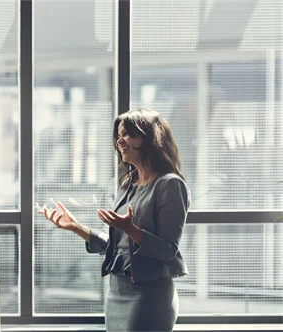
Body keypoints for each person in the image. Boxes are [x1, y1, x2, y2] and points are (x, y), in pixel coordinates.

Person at [38, 108, 190, 332]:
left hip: (149, 297)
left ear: (150, 138)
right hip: (117, 292)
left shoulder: (170, 184)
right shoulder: (127, 184)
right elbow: (118, 247)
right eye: (119, 135)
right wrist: (77, 228)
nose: (120, 141)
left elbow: (167, 250)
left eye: (128, 134)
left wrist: (131, 229)